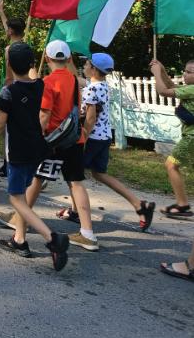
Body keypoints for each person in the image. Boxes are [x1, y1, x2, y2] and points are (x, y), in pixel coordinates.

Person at [0, 41, 98, 251]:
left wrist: (37, 137)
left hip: (53, 141)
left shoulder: (48, 82)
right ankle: (88, 233)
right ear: (69, 59)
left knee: (36, 179)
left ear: (48, 58)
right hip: (73, 138)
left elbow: (45, 114)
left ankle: (20, 219)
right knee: (76, 182)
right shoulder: (73, 79)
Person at [0, 42, 70, 270]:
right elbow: (32, 75)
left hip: (18, 152)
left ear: (9, 64)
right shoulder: (41, 85)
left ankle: (52, 238)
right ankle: (19, 240)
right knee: (24, 199)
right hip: (37, 149)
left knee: (16, 199)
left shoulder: (8, 91)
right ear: (32, 64)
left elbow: (0, 123)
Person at [75, 53, 155, 231]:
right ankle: (138, 204)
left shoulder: (91, 89)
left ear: (94, 69)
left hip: (92, 138)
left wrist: (83, 140)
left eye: (87, 64)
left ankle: (76, 212)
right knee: (99, 174)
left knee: (74, 176)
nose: (84, 67)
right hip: (104, 137)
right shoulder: (102, 86)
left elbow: (90, 118)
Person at [0, 1, 36, 177]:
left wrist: (5, 93)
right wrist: (1, 12)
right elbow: (9, 30)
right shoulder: (26, 45)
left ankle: (7, 164)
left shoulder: (9, 50)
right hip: (26, 90)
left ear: (11, 31)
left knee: (7, 131)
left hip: (12, 90)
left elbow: (9, 75)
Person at [151, 58, 194, 217]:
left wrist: (156, 74)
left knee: (171, 164)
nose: (185, 74)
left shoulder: (193, 89)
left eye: (189, 72)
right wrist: (162, 70)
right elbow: (171, 85)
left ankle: (182, 205)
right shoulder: (190, 89)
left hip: (191, 137)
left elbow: (163, 91)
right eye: (185, 70)